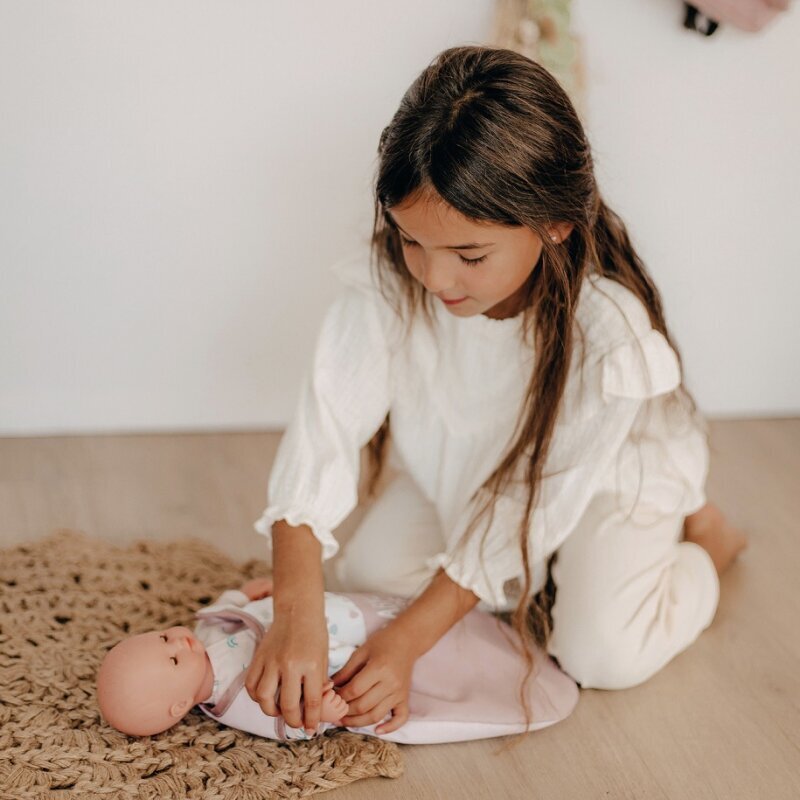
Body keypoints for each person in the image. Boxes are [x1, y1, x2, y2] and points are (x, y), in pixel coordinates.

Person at [246, 45, 748, 740]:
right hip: (466, 459)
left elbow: (530, 501)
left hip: (597, 478)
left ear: (555, 223)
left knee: (599, 653)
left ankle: (705, 546)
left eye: (469, 255)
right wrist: (297, 606)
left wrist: (406, 644)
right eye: (412, 241)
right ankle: (534, 581)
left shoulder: (607, 338)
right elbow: (324, 431)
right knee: (367, 574)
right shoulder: (393, 281)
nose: (433, 277)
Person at [95, 577, 578, 742]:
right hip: (343, 644)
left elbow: (225, 607)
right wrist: (321, 713)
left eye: (163, 637)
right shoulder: (238, 700)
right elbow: (288, 722)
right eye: (174, 661)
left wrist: (244, 593)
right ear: (178, 708)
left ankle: (472, 597)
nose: (179, 643)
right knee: (415, 648)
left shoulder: (200, 636)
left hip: (325, 613)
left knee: (395, 604)